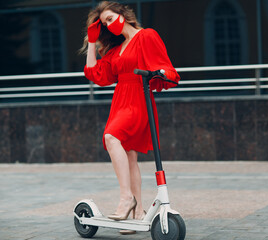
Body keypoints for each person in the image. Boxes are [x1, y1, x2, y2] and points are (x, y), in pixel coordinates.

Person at [80, 0, 180, 233]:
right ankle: (138, 212)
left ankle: (127, 198)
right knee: (129, 156)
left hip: (138, 98)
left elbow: (167, 68)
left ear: (123, 14)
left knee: (111, 137)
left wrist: (162, 73)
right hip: (120, 100)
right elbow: (94, 73)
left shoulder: (147, 36)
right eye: (104, 23)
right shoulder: (116, 49)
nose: (108, 24)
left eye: (110, 18)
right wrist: (92, 41)